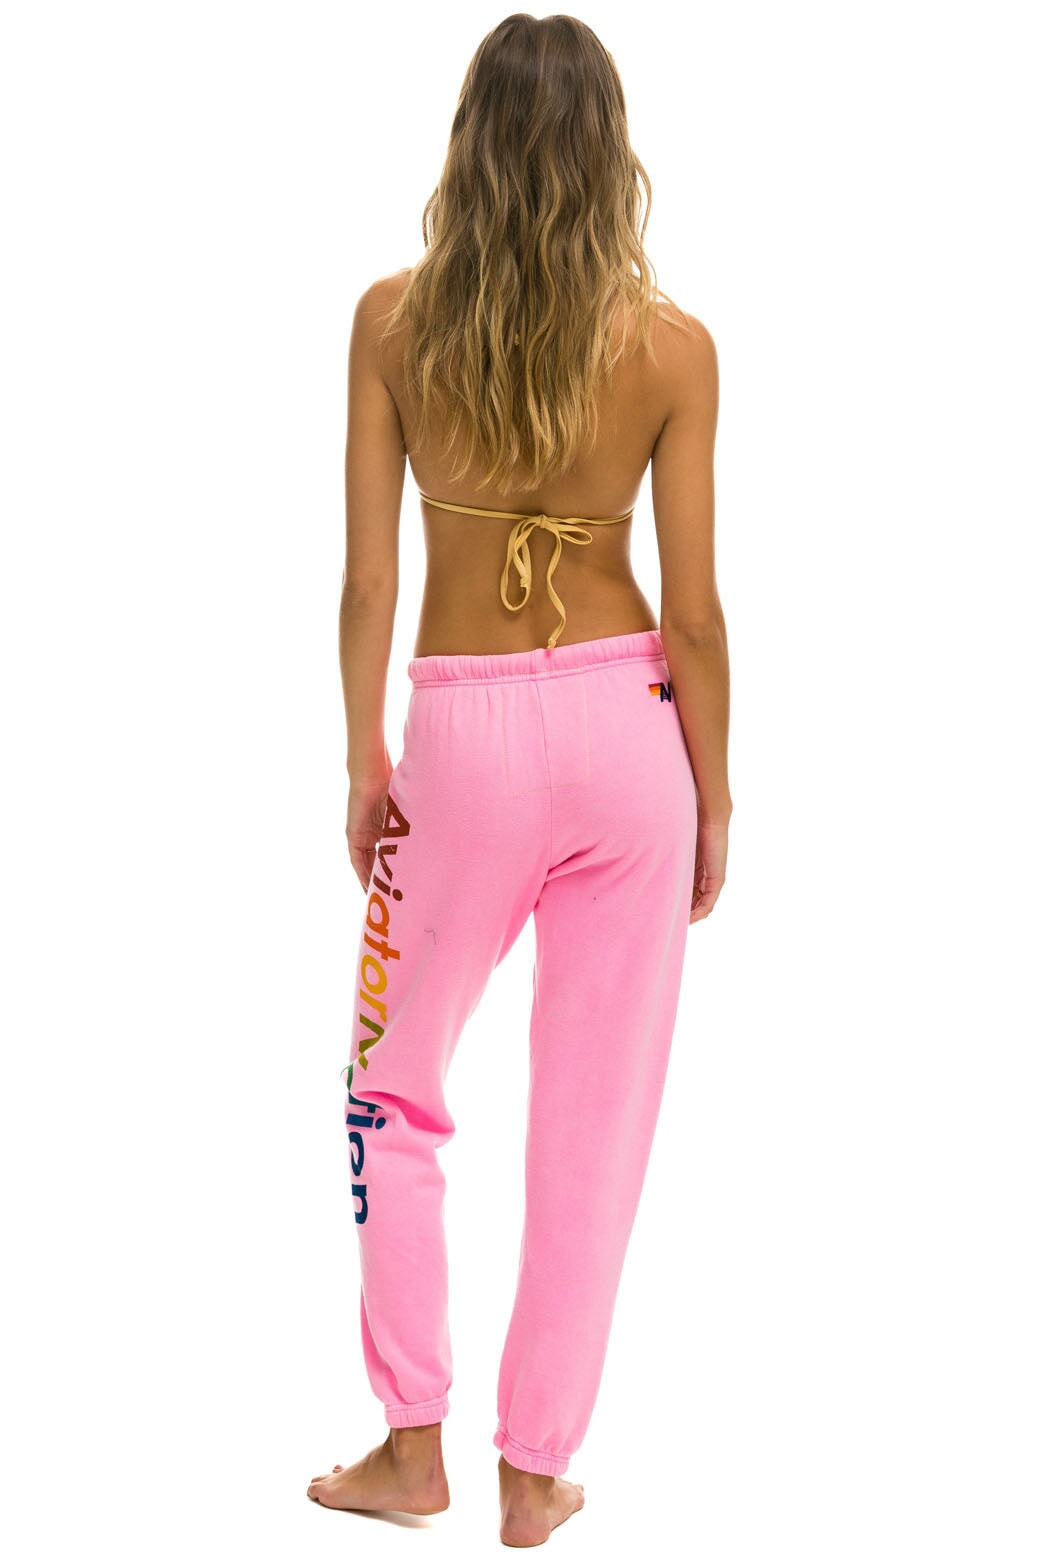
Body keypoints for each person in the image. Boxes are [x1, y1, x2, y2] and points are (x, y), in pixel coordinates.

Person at [306, 12, 732, 1548]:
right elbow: (695, 616)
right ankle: (536, 1474)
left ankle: (411, 1446)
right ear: (611, 153)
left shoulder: (392, 322)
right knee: (595, 1124)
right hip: (634, 732)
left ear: (470, 142)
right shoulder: (672, 348)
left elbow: (370, 581)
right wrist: (716, 795)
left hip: (463, 740)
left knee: (389, 1085)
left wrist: (366, 760)